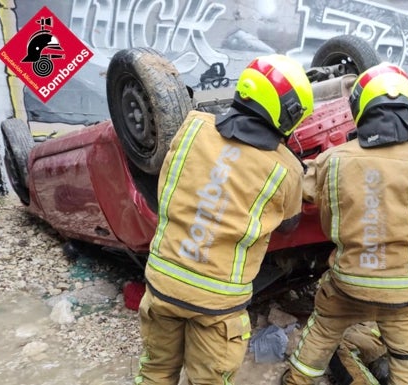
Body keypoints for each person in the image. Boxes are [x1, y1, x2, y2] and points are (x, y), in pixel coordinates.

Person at [134, 54, 314, 385]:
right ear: (288, 112)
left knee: (155, 372)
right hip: (216, 304)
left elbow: (168, 186)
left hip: (162, 282)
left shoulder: (192, 127)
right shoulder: (285, 169)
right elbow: (289, 226)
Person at [282, 62, 408, 385]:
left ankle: (297, 380)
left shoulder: (333, 160)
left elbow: (302, 189)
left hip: (349, 281)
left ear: (359, 108)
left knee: (323, 331)